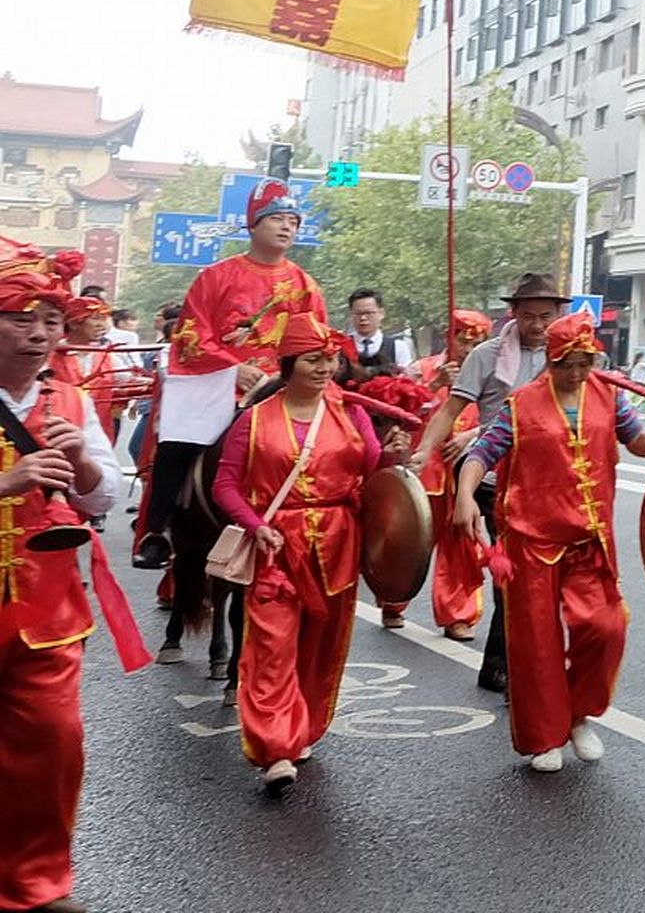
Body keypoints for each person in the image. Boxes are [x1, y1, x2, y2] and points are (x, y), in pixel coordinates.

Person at [454, 311, 645, 771]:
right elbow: (482, 453)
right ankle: (544, 737)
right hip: (531, 539)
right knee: (535, 645)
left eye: (584, 361)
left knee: (606, 628)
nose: (576, 372)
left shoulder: (609, 396)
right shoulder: (521, 406)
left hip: (589, 539)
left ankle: (579, 715)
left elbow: (636, 442)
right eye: (566, 363)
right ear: (550, 362)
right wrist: (464, 495)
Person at [0, 240, 127, 913]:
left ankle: (36, 884)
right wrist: (8, 482)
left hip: (47, 616)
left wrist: (78, 466)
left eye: (51, 320)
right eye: (23, 317)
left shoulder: (70, 402)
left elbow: (104, 497)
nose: (40, 333)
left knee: (53, 746)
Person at [210, 311, 383, 796]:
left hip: (338, 544)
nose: (325, 367)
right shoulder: (254, 420)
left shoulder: (353, 415)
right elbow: (225, 482)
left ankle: (301, 727)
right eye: (313, 359)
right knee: (271, 648)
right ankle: (275, 748)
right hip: (276, 549)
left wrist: (393, 455)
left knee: (320, 647)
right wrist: (255, 524)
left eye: (330, 358)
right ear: (288, 364)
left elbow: (376, 475)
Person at [136, 179, 326, 569]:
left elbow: (317, 340)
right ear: (253, 225)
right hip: (220, 380)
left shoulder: (305, 285)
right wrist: (232, 368)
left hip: (282, 386)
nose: (286, 226)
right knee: (179, 440)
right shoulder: (217, 276)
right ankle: (159, 529)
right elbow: (190, 333)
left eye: (293, 220)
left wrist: (289, 375)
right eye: (276, 218)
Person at [412, 273, 569, 691]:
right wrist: (425, 448)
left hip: (554, 483)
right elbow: (451, 409)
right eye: (530, 316)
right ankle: (507, 664)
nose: (538, 325)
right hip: (494, 478)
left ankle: (521, 662)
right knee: (513, 574)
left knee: (554, 581)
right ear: (513, 314)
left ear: (559, 315)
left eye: (546, 316)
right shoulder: (487, 355)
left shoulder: (569, 355)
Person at [401, 308, 494, 639]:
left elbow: (505, 415)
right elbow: (402, 412)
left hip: (466, 471)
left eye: (477, 341)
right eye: (463, 339)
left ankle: (457, 613)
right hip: (426, 471)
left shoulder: (489, 371)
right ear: (449, 338)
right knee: (412, 540)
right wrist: (433, 385)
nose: (469, 348)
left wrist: (471, 435)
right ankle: (394, 599)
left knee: (460, 543)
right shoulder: (422, 369)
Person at [50, 295, 124, 436]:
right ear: (73, 323)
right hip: (58, 427)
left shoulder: (107, 356)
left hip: (97, 429)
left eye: (103, 320)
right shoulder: (50, 355)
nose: (101, 325)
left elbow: (127, 379)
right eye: (95, 319)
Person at [344, 287, 413, 380]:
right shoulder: (341, 347)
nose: (363, 318)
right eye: (358, 313)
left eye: (369, 313)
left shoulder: (398, 347)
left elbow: (407, 381)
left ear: (381, 313)